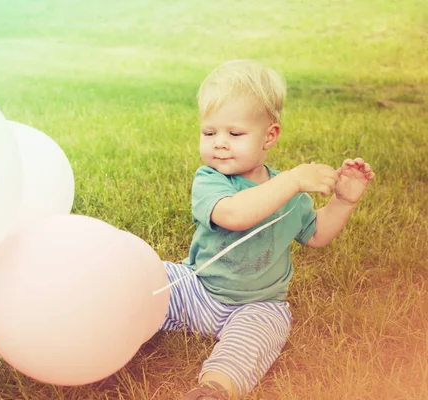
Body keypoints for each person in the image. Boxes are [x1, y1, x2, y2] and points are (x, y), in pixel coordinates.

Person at [159, 59, 375, 399]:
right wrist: (292, 181)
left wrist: (343, 203)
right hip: (198, 289)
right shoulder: (211, 180)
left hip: (256, 304)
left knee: (258, 334)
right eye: (209, 132)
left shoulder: (287, 191)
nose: (219, 143)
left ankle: (215, 388)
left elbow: (316, 234)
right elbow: (233, 214)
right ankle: (105, 316)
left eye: (235, 133)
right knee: (152, 277)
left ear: (269, 136)